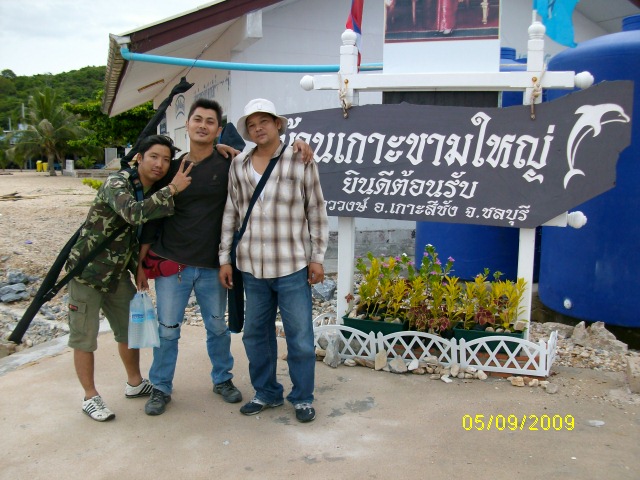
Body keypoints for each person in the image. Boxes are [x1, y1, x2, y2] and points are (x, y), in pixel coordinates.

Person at [138, 98, 314, 416]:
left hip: (214, 265)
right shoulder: (170, 168)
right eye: (197, 119)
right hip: (173, 264)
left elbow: (247, 203)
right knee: (167, 330)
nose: (202, 126)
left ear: (219, 129)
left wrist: (299, 143)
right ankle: (161, 387)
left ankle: (223, 379)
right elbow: (151, 215)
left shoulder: (230, 162)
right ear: (187, 124)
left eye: (210, 121)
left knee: (218, 328)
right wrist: (140, 261)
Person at [67, 134, 193, 422]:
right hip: (87, 273)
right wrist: (172, 189)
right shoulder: (117, 183)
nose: (160, 164)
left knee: (128, 332)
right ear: (139, 157)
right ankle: (90, 396)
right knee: (84, 338)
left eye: (165, 159)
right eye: (154, 157)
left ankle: (135, 383)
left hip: (117, 275)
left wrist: (139, 267)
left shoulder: (151, 189)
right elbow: (133, 214)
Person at [219, 98, 328, 423]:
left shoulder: (299, 158)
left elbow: (315, 208)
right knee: (255, 335)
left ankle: (303, 397)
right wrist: (225, 258)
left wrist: (317, 257)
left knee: (300, 338)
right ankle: (266, 392)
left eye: (264, 121)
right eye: (252, 125)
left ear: (277, 124)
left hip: (292, 265)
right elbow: (231, 212)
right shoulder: (239, 165)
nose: (258, 129)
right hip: (252, 268)